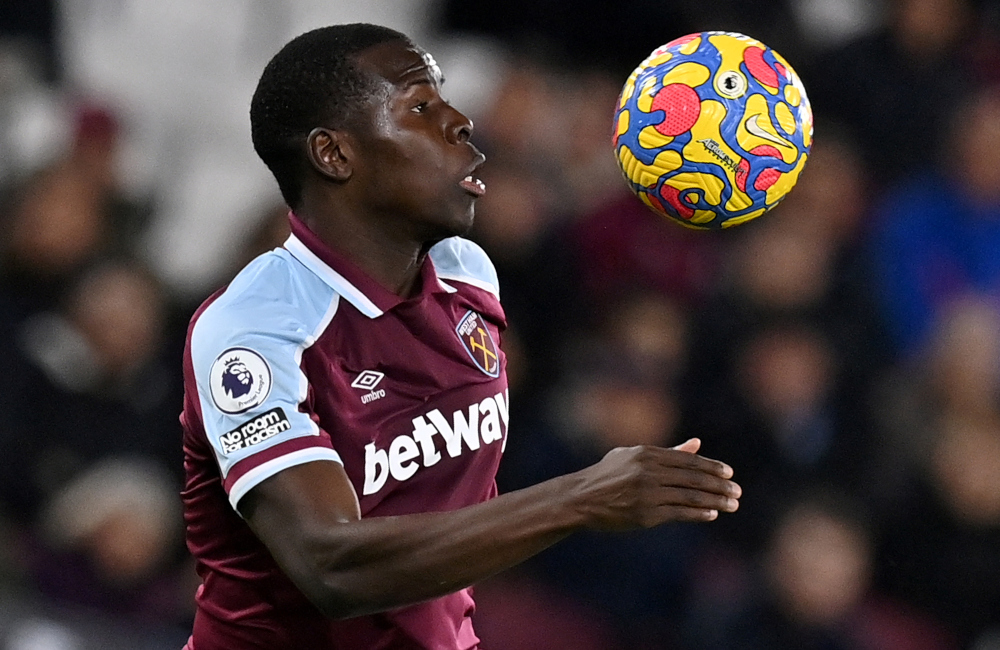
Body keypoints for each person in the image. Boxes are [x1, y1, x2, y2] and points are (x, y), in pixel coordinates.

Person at [178, 23, 741, 650]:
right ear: (334, 154)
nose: (460, 121)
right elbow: (330, 565)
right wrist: (581, 497)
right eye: (420, 106)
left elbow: (461, 510)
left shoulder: (467, 275)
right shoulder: (255, 330)